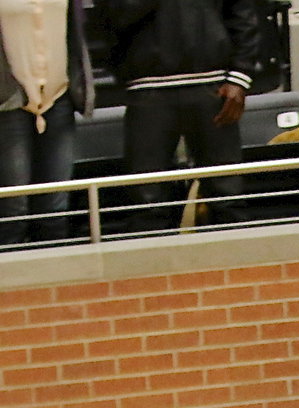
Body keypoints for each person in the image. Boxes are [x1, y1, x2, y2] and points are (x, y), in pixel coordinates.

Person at [95, 0, 258, 232]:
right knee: (146, 201)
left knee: (227, 194)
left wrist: (240, 76)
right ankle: (154, 266)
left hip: (212, 85)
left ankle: (239, 267)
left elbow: (243, 14)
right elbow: (111, 18)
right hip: (147, 87)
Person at [0, 0, 93, 246]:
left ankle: (56, 278)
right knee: (12, 209)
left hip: (58, 98)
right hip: (8, 104)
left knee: (55, 209)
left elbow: (76, 32)